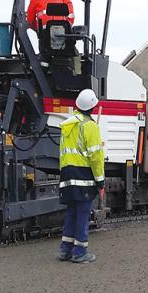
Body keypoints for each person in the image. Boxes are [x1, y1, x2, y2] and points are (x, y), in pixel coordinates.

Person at [58, 88, 104, 263]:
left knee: (71, 212)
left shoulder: (67, 124)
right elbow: (96, 157)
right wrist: (100, 181)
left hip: (67, 174)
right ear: (93, 107)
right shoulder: (90, 126)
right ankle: (79, 252)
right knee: (83, 214)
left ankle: (65, 250)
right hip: (83, 175)